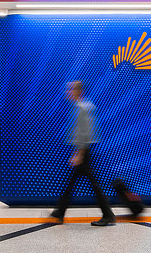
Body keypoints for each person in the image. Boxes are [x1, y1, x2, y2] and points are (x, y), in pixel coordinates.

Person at [50, 81, 116, 226]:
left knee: (93, 185)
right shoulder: (79, 107)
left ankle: (108, 215)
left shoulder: (84, 108)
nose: (68, 92)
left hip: (83, 151)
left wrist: (80, 153)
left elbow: (87, 132)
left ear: (78, 91)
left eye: (71, 89)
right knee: (73, 182)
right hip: (81, 150)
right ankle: (60, 212)